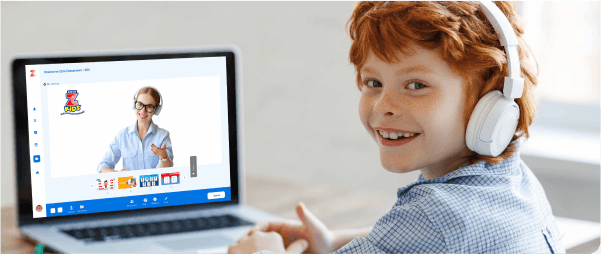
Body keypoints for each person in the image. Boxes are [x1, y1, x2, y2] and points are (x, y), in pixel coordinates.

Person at [228, 1, 564, 253]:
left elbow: (428, 230)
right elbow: (403, 241)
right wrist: (332, 242)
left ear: (490, 101)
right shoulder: (515, 181)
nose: (382, 106)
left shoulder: (434, 216)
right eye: (372, 82)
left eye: (416, 85)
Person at [98, 87, 173, 173]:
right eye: (140, 104)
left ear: (156, 110)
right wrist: (117, 174)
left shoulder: (163, 136)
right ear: (134, 104)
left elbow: (168, 170)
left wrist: (163, 156)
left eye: (149, 106)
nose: (143, 110)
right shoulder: (122, 135)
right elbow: (102, 166)